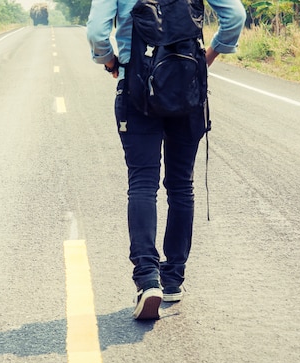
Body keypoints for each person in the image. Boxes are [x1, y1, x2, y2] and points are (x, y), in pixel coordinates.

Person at [87, 0, 246, 319]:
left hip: (137, 89)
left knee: (143, 184)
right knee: (181, 187)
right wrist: (209, 55)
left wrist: (109, 61)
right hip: (188, 86)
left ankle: (148, 279)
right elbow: (235, 17)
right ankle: (173, 278)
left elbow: (96, 33)